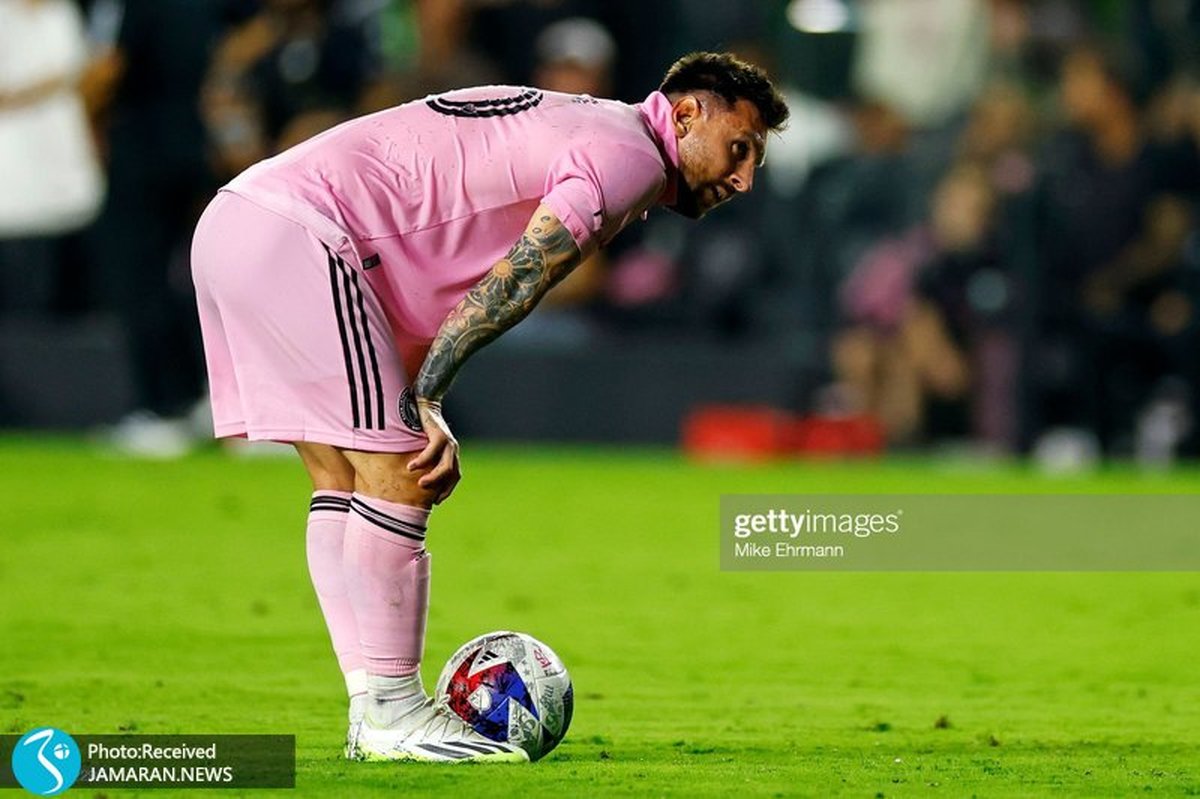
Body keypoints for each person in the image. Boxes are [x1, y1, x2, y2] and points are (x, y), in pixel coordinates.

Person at [190, 51, 788, 763]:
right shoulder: (631, 156)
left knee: (341, 478)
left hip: (243, 219)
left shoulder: (595, 127)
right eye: (739, 148)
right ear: (684, 114)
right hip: (303, 234)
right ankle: (393, 711)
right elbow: (520, 276)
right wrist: (429, 394)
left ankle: (371, 708)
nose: (744, 179)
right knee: (403, 470)